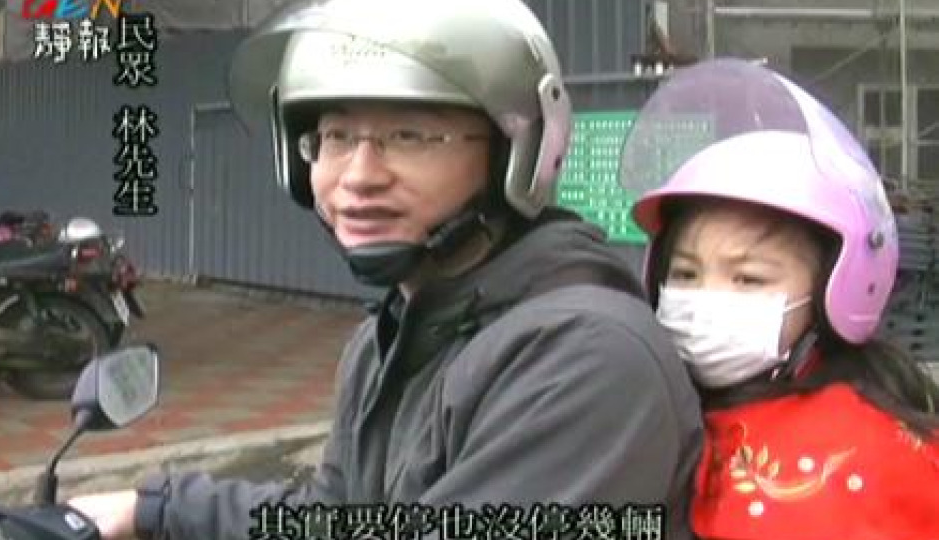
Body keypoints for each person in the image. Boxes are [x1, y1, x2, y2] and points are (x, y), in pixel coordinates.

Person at [68, 1, 704, 538]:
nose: (359, 175)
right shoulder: (395, 335)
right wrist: (156, 509)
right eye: (337, 137)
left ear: (516, 151)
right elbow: (339, 518)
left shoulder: (585, 358)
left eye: (411, 136)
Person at [619, 58, 939, 539]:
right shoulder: (650, 402)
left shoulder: (863, 457)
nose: (705, 298)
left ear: (838, 286)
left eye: (749, 279)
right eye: (685, 273)